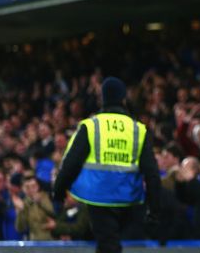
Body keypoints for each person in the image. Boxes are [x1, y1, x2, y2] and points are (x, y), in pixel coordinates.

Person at [53, 76, 161, 253]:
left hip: (98, 198)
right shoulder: (138, 129)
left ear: (102, 98)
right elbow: (152, 173)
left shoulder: (91, 126)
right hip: (130, 199)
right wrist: (154, 210)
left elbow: (70, 165)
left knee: (107, 246)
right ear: (124, 99)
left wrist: (58, 193)